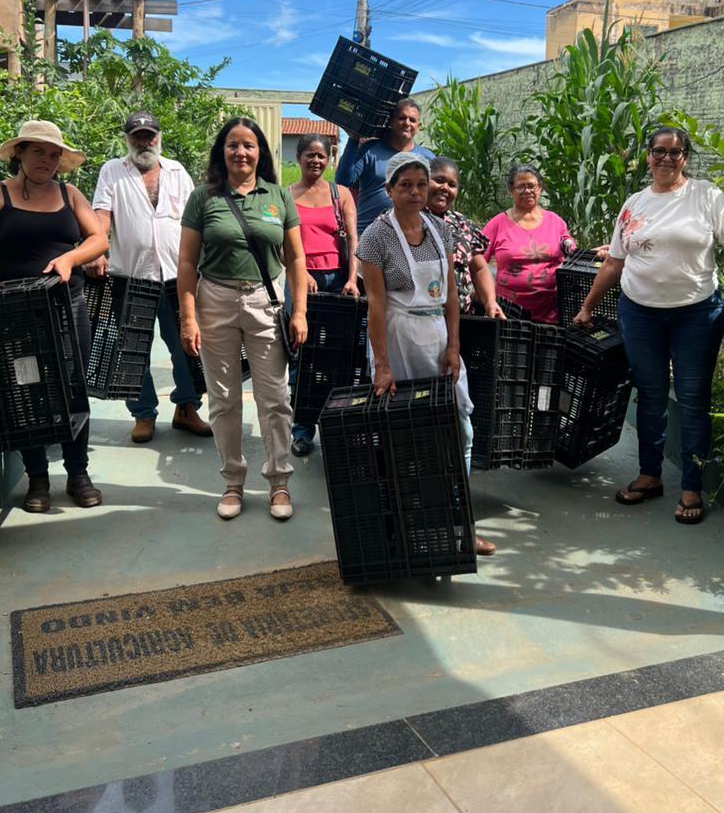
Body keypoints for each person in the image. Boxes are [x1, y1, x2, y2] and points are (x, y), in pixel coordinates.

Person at [573, 126, 724, 525]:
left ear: (686, 158)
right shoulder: (634, 204)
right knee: (651, 395)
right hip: (640, 314)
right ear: (648, 157)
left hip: (695, 315)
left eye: (675, 153)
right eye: (659, 151)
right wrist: (588, 306)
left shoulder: (706, 196)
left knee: (693, 399)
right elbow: (614, 262)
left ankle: (692, 484)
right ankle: (649, 474)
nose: (666, 159)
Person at [0, 120, 108, 512]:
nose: (47, 160)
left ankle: (79, 473)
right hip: (15, 309)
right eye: (39, 151)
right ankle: (37, 478)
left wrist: (70, 258)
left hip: (67, 305)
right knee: (25, 387)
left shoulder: (69, 193)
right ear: (20, 153)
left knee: (72, 385)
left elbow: (98, 239)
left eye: (55, 154)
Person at [357, 152, 495, 557]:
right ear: (389, 191)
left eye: (422, 184)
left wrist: (453, 346)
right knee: (403, 434)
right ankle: (408, 525)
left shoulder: (439, 229)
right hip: (397, 338)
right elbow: (376, 308)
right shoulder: (375, 237)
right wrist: (382, 366)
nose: (416, 192)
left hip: (436, 335)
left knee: (459, 428)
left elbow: (450, 294)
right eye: (406, 185)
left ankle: (460, 522)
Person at [177, 117, 308, 522]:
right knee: (224, 399)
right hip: (214, 301)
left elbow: (297, 258)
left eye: (249, 145)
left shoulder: (278, 197)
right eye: (233, 145)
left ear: (260, 152)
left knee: (275, 398)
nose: (241, 153)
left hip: (264, 301)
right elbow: (186, 261)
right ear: (222, 152)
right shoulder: (203, 198)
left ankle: (278, 482)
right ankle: (233, 482)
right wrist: (188, 318)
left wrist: (299, 310)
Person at [88, 111, 211, 444]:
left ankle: (187, 407)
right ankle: (143, 414)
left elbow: (193, 221)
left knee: (187, 345)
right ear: (127, 139)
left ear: (159, 136)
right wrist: (97, 250)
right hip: (130, 274)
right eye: (137, 136)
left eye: (149, 135)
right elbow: (101, 215)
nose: (144, 142)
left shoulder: (177, 171)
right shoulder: (112, 171)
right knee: (131, 350)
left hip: (177, 276)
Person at [287, 133, 359, 457]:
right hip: (301, 282)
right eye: (310, 155)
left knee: (338, 356)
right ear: (299, 158)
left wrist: (352, 279)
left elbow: (355, 241)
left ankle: (334, 425)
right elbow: (281, 245)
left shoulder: (339, 194)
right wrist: (301, 275)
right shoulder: (286, 195)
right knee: (302, 356)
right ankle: (302, 429)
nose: (316, 160)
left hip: (337, 282)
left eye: (322, 155)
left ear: (329, 159)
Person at [482, 165, 575, 323]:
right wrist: (486, 299)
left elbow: (571, 251)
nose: (527, 191)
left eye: (531, 185)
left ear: (540, 188)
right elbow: (477, 262)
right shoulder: (497, 224)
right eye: (520, 187)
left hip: (552, 312)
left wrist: (593, 253)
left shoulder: (556, 222)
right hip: (509, 313)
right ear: (510, 191)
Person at [335, 99, 435, 234]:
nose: (407, 123)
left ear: (419, 126)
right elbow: (343, 181)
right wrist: (353, 139)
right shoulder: (370, 150)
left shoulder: (428, 158)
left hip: (409, 239)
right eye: (402, 118)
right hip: (368, 236)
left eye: (412, 120)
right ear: (391, 122)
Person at [425, 157, 505, 319]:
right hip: (414, 318)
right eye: (439, 180)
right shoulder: (406, 217)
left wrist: (490, 301)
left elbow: (479, 268)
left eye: (452, 185)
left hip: (459, 319)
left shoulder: (462, 224)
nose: (445, 188)